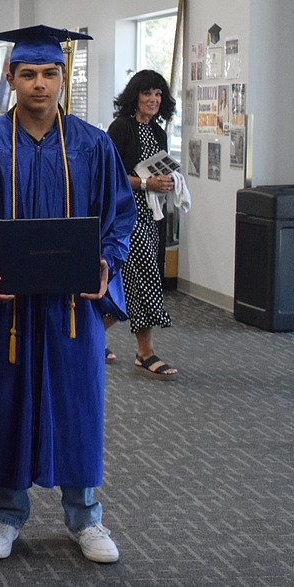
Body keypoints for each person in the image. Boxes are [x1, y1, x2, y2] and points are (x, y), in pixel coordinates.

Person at [0, 25, 136, 565]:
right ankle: (6, 512)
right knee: (7, 398)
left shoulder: (93, 143)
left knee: (77, 398)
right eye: (29, 74)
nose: (40, 84)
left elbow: (118, 216)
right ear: (11, 78)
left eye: (50, 73)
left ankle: (86, 516)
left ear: (64, 78)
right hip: (10, 305)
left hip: (72, 304)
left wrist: (107, 262)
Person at [106, 69, 179, 379]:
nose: (153, 99)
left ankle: (92, 336)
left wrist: (165, 183)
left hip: (151, 214)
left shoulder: (159, 132)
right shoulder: (121, 128)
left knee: (131, 281)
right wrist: (147, 184)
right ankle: (145, 353)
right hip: (125, 214)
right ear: (135, 96)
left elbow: (155, 174)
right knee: (143, 277)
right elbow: (111, 175)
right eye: (147, 93)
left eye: (158, 94)